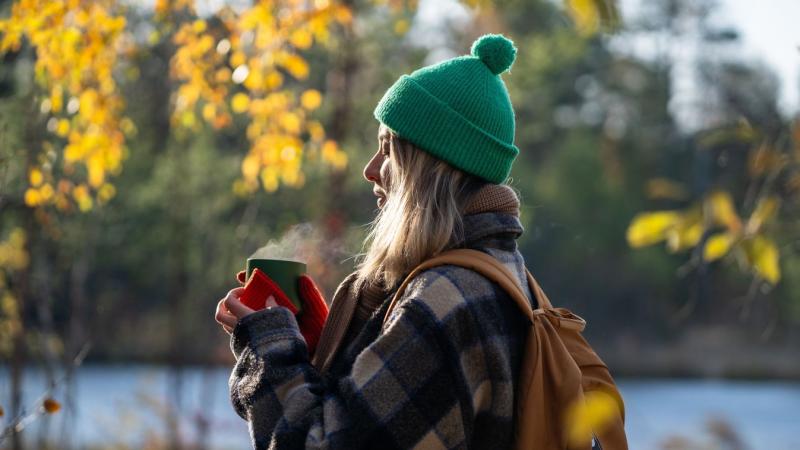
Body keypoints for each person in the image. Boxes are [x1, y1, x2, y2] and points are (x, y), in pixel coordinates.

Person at [215, 33, 536, 450]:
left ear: (427, 170)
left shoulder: (444, 300)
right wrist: (322, 351)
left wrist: (270, 349)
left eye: (388, 150)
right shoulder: (504, 277)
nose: (370, 170)